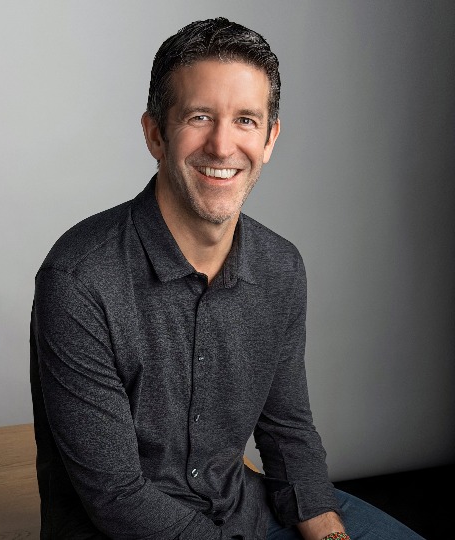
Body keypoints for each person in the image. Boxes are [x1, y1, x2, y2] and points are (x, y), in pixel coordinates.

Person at [29, 17, 421, 540]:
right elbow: (116, 497)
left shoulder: (281, 268)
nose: (222, 145)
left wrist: (330, 533)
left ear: (270, 138)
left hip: (244, 513)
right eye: (199, 117)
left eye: (246, 120)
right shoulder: (79, 279)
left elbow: (288, 435)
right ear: (155, 134)